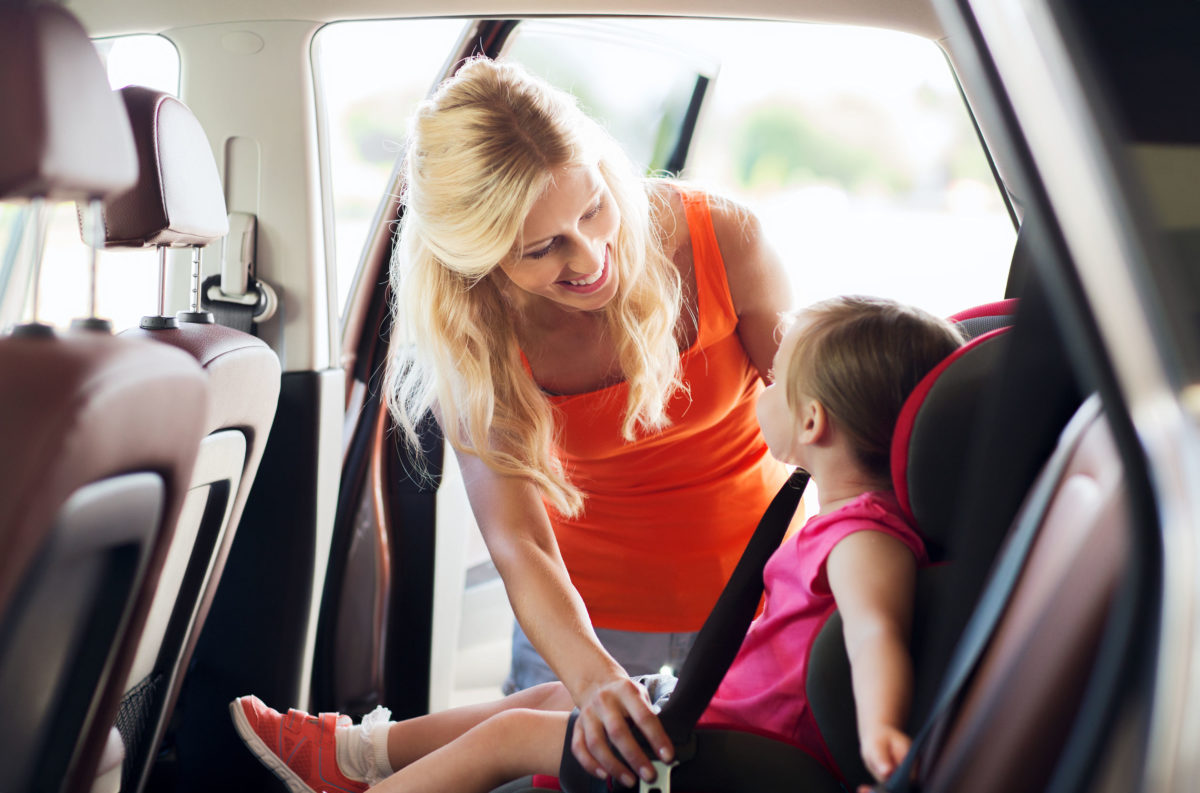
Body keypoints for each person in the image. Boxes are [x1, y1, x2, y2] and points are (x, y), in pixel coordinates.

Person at [230, 295, 965, 793]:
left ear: (812, 423)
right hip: (710, 714)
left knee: (515, 730)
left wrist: (885, 739)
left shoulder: (863, 534)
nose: (759, 388)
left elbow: (873, 632)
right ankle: (351, 756)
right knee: (555, 692)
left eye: (776, 380)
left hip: (729, 752)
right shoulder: (830, 512)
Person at [375, 55, 794, 781]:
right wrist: (593, 677)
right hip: (575, 631)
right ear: (477, 259)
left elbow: (814, 413)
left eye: (593, 207)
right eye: (543, 248)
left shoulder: (725, 239)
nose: (592, 254)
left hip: (755, 609)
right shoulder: (472, 332)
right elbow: (519, 542)